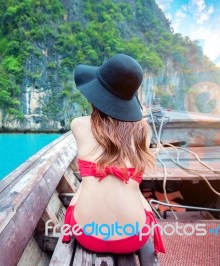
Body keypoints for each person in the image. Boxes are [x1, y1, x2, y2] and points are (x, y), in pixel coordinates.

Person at [62, 54, 165, 254]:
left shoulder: (79, 125)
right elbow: (134, 187)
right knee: (137, 196)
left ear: (96, 92)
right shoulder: (144, 132)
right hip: (133, 239)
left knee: (82, 190)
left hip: (87, 235)